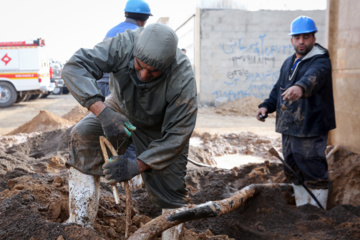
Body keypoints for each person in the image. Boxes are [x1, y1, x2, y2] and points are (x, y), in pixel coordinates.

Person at [62, 23, 197, 239]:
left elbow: (177, 135)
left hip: (159, 124)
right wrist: (103, 113)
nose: (143, 75)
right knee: (83, 134)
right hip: (120, 106)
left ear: (168, 66)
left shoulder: (183, 79)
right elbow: (74, 67)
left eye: (153, 71)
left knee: (171, 190)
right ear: (134, 53)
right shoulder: (123, 44)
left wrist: (136, 165)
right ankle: (80, 226)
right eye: (139, 65)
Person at [256, 16, 336, 209]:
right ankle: (303, 210)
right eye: (297, 37)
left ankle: (317, 214)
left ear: (313, 39)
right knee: (292, 168)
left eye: (306, 37)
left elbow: (312, 77)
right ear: (292, 39)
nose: (301, 41)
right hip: (290, 127)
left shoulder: (321, 61)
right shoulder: (289, 62)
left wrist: (300, 87)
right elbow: (279, 89)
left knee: (313, 168)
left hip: (311, 126)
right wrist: (266, 105)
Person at [97, 0, 152, 97]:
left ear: (126, 14)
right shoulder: (140, 34)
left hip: (101, 85)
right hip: (119, 88)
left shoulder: (111, 31)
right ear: (145, 18)